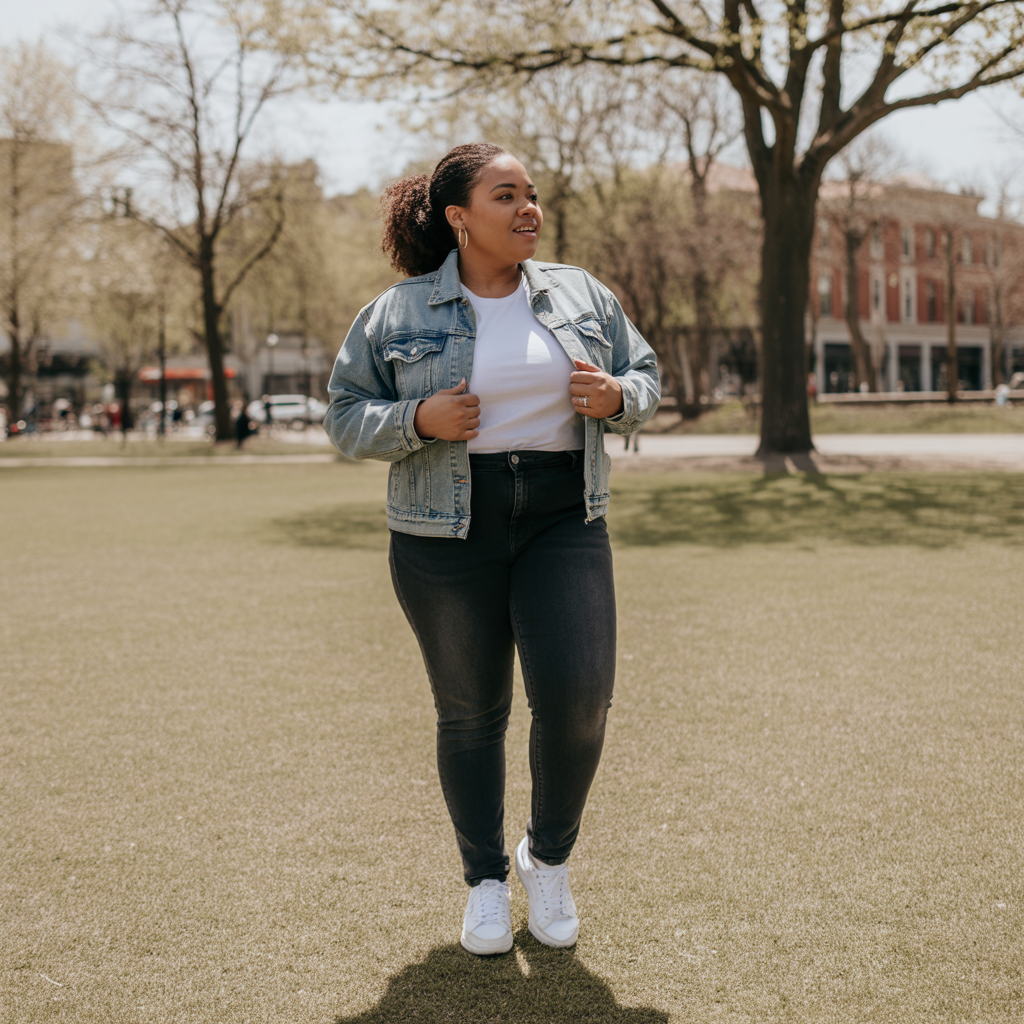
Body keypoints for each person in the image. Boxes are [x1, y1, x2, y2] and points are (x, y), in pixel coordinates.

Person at [324, 143, 660, 956]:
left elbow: (645, 376)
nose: (528, 209)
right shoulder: (394, 314)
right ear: (458, 217)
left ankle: (546, 858)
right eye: (506, 195)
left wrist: (618, 397)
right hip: (444, 530)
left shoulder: (582, 293)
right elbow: (343, 415)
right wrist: (415, 422)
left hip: (561, 519)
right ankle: (483, 879)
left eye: (532, 195)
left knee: (581, 701)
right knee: (471, 714)